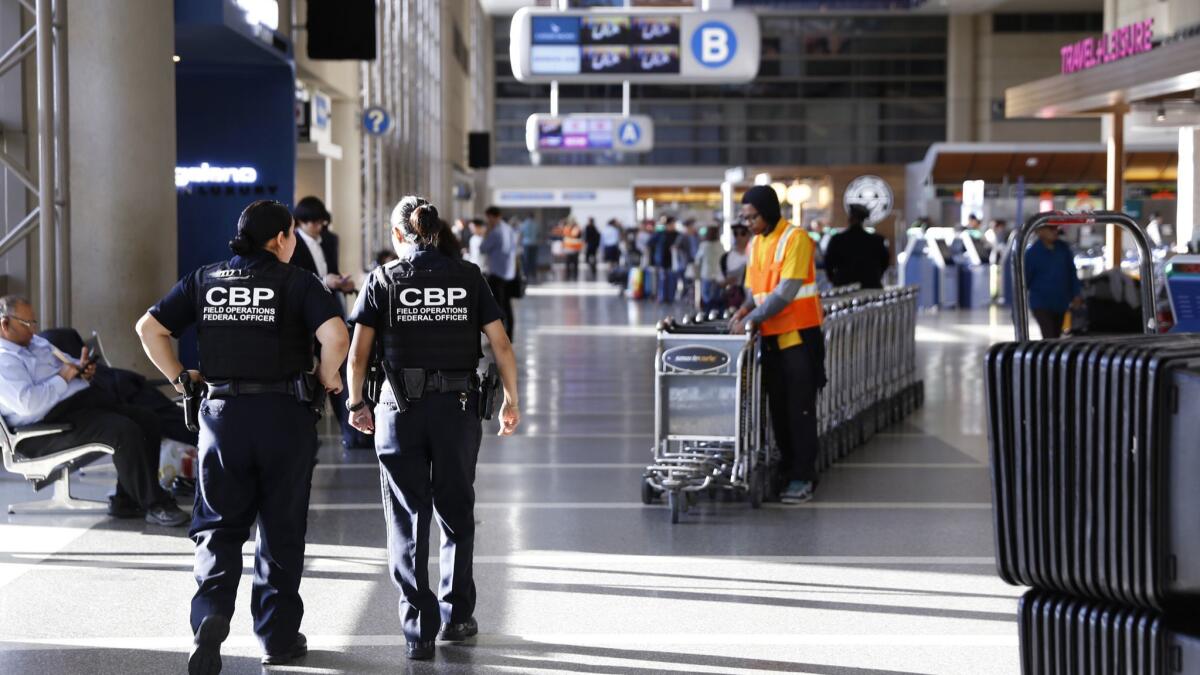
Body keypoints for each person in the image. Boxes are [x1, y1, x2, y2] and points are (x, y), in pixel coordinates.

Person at [135, 200, 349, 673]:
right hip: (284, 416)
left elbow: (149, 328)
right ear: (280, 239)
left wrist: (180, 379)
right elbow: (336, 337)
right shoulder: (298, 282)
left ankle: (209, 616)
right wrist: (328, 376)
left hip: (221, 418)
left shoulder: (205, 278)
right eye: (292, 234)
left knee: (218, 525)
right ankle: (276, 637)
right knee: (281, 527)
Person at [344, 197, 520, 661]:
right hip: (457, 411)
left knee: (407, 518)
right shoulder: (467, 277)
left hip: (398, 412)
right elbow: (500, 343)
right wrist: (512, 401)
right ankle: (457, 616)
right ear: (437, 233)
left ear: (399, 235)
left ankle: (417, 631)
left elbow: (359, 354)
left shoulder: (383, 280)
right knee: (456, 513)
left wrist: (356, 402)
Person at [0, 296, 189, 526]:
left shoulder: (36, 344)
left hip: (79, 406)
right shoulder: (4, 359)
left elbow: (67, 363)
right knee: (123, 432)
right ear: (4, 324)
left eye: (33, 322)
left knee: (147, 419)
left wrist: (82, 369)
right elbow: (29, 404)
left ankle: (126, 500)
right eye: (26, 323)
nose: (33, 329)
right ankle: (154, 504)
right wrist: (64, 377)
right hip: (45, 427)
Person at [730, 186, 825, 504]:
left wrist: (752, 318)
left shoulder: (795, 238)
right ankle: (786, 470)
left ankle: (803, 477)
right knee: (778, 410)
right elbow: (751, 290)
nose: (749, 223)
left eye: (752, 216)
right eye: (744, 218)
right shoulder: (756, 244)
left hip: (798, 337)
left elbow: (786, 291)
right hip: (770, 338)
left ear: (769, 211)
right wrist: (743, 311)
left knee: (800, 410)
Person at [290, 196, 367, 450]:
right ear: (300, 222)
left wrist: (341, 284)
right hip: (301, 316)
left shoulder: (331, 240)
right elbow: (294, 278)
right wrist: (325, 280)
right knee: (304, 372)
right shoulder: (292, 242)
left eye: (321, 222)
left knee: (340, 369)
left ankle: (353, 431)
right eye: (312, 222)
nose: (318, 227)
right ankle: (304, 431)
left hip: (329, 310)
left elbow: (330, 270)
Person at [1023, 224, 1082, 339]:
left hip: (1061, 303)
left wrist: (1076, 294)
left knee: (1056, 335)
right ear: (1040, 231)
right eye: (1050, 229)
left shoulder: (1064, 250)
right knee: (1049, 337)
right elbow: (1025, 280)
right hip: (1041, 304)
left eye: (1056, 228)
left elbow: (1072, 273)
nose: (1055, 231)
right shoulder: (1032, 253)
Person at [823, 203, 890, 289]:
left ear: (850, 219)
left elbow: (828, 262)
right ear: (863, 220)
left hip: (844, 286)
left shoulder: (838, 240)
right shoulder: (877, 240)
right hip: (870, 286)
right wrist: (876, 276)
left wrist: (834, 279)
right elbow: (885, 262)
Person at [480, 206, 517, 338]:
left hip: (496, 274)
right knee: (506, 305)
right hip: (509, 273)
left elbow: (483, 248)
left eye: (488, 218)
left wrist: (486, 233)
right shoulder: (509, 229)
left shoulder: (495, 232)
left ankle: (500, 337)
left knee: (498, 307)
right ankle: (509, 334)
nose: (488, 221)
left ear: (492, 216)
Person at [648, 216, 680, 303]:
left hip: (673, 261)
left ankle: (670, 297)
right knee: (662, 280)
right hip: (662, 260)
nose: (673, 226)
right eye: (672, 224)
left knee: (672, 280)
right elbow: (650, 243)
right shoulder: (660, 234)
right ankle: (662, 297)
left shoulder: (677, 234)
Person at [695, 226, 725, 312]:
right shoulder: (720, 245)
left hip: (706, 273)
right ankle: (715, 311)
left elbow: (698, 259)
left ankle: (707, 311)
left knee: (706, 295)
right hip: (718, 274)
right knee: (717, 295)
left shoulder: (704, 245)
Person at [519, 214, 541, 282]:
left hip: (526, 244)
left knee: (526, 260)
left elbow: (521, 234)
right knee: (533, 260)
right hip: (534, 243)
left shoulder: (524, 224)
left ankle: (526, 274)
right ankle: (533, 274)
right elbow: (538, 234)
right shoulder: (536, 224)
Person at [561, 217, 584, 281]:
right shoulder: (572, 228)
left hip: (572, 248)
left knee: (572, 263)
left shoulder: (569, 228)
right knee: (571, 263)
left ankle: (572, 275)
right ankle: (571, 275)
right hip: (571, 248)